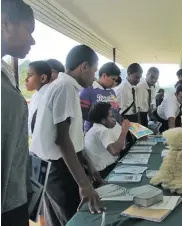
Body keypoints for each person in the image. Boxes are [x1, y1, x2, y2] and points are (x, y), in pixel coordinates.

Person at [30, 45, 104, 226]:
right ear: (84, 67)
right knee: (71, 219)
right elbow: (62, 140)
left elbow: (71, 135)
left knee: (57, 219)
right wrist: (84, 184)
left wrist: (86, 162)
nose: (94, 77)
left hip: (49, 166)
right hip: (57, 168)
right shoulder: (65, 88)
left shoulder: (61, 86)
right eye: (94, 71)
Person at [1, 1, 35, 225]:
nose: (32, 40)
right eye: (29, 30)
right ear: (4, 22)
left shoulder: (5, 72)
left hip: (14, 199)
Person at [85, 102, 130, 178]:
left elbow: (123, 145)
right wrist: (124, 130)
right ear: (103, 120)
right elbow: (115, 151)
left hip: (107, 168)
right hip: (104, 172)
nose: (114, 119)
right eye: (111, 117)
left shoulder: (99, 127)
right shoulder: (102, 130)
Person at [80, 62, 121, 133]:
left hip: (111, 133)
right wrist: (103, 121)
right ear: (104, 75)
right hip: (95, 134)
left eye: (116, 80)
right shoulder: (88, 90)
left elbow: (116, 111)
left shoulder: (112, 92)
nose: (114, 83)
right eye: (113, 79)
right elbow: (83, 113)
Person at [25, 61, 52, 136]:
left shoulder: (48, 96)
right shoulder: (36, 95)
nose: (26, 79)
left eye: (30, 75)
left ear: (43, 78)